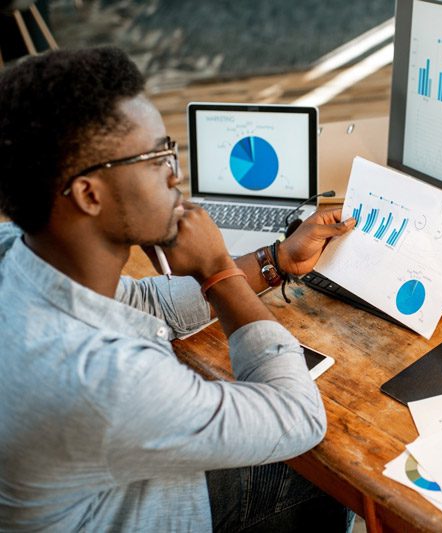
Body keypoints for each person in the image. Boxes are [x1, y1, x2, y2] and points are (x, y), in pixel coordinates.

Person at [0, 46, 356, 531]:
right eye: (155, 159)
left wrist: (276, 261)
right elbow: (298, 418)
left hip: (104, 483)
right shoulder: (102, 378)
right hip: (148, 511)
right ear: (88, 194)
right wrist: (216, 269)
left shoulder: (15, 254)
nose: (176, 175)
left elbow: (143, 302)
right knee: (332, 468)